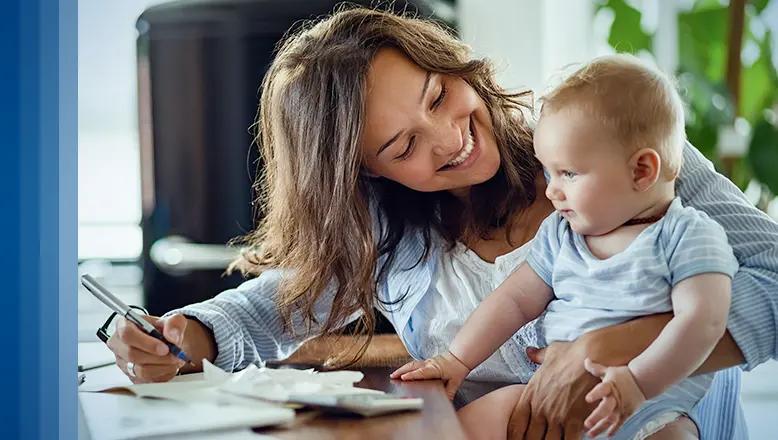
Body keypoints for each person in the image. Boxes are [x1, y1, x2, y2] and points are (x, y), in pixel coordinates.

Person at [105, 7, 778, 439]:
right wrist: (188, 333)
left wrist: (611, 348)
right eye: (401, 147)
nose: (449, 139)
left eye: (438, 96)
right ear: (366, 174)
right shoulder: (391, 228)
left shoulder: (614, 148)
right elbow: (273, 307)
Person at [391, 54, 738, 440]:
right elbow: (514, 301)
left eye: (568, 174)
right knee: (473, 423)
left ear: (641, 170)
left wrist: (636, 383)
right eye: (548, 171)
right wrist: (456, 359)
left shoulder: (688, 236)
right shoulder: (562, 234)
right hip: (546, 397)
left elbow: (703, 322)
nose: (552, 191)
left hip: (650, 408)